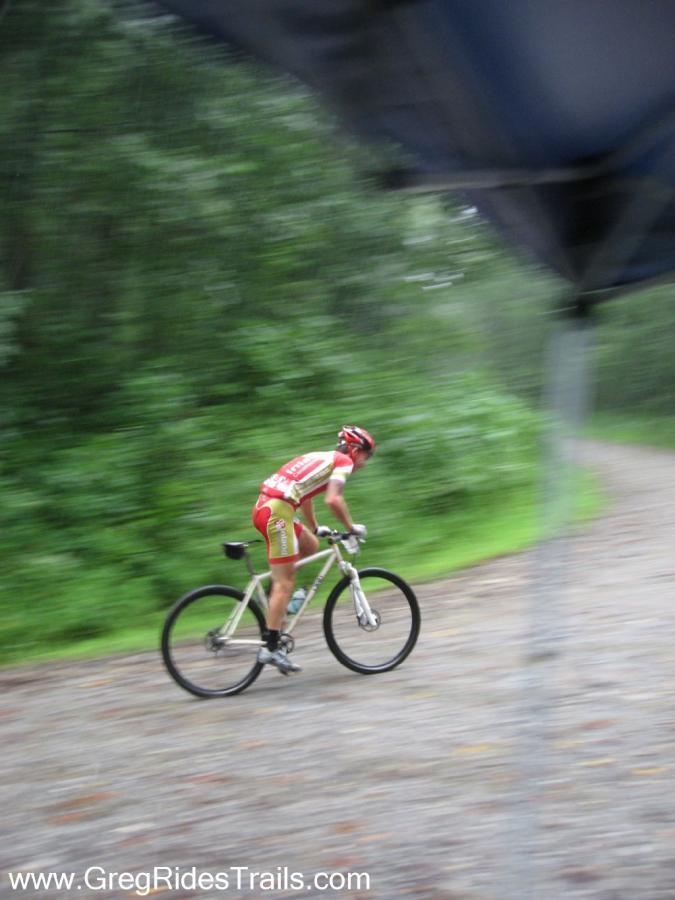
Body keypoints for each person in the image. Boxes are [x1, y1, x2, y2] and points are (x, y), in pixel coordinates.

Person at [251, 425, 375, 675]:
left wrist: (315, 527)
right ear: (354, 449)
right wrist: (351, 528)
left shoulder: (319, 457)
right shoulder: (343, 462)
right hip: (277, 513)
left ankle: (273, 599)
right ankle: (271, 648)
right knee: (285, 583)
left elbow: (304, 495)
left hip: (269, 508)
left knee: (310, 544)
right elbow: (333, 499)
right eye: (366, 455)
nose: (365, 462)